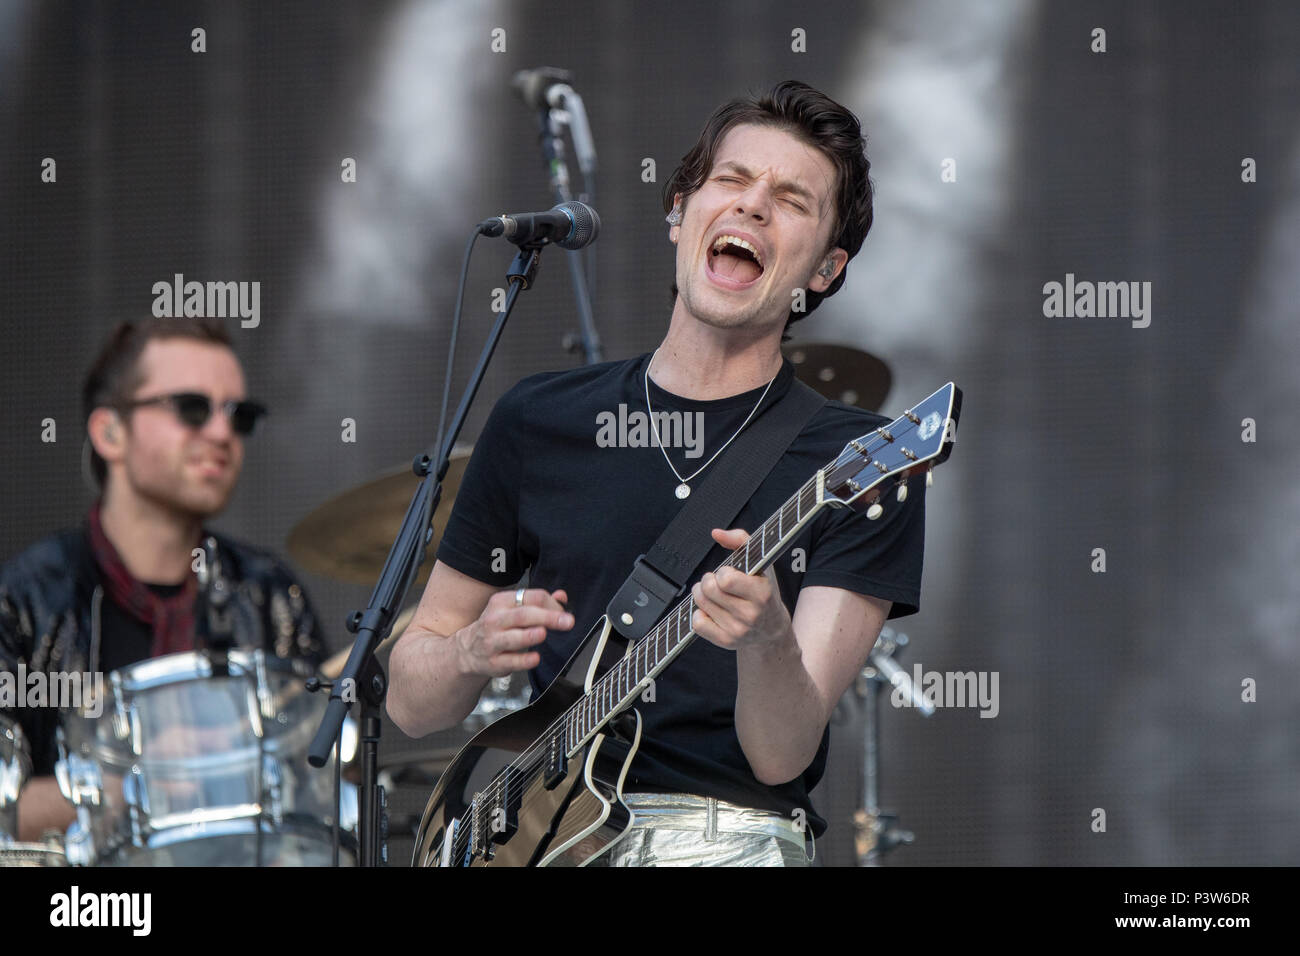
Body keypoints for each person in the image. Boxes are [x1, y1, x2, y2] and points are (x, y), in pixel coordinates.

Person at [388, 80, 927, 866]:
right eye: (732, 181)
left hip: (726, 839)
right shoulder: (540, 420)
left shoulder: (862, 461)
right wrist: (469, 651)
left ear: (824, 268)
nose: (751, 207)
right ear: (681, 209)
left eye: (791, 200)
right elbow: (407, 701)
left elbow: (780, 756)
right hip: (544, 834)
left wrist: (768, 638)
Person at [0, 318, 324, 843]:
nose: (221, 434)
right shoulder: (22, 602)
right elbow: (3, 806)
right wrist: (139, 777)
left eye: (239, 415)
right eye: (191, 408)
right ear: (109, 432)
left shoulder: (268, 596)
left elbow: (325, 786)